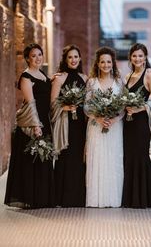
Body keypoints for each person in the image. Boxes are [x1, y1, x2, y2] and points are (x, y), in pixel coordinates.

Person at [4, 43, 54, 209]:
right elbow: (31, 102)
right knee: (31, 161)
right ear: (27, 58)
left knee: (42, 159)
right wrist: (36, 125)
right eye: (33, 56)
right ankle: (31, 198)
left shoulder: (41, 74)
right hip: (32, 124)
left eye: (40, 54)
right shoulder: (26, 77)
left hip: (44, 122)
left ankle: (43, 197)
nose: (38, 58)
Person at [84, 47, 124, 208]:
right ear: (98, 64)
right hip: (95, 126)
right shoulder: (91, 82)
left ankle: (113, 199)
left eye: (108, 61)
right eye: (102, 62)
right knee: (97, 158)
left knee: (113, 158)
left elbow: (123, 106)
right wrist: (98, 118)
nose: (106, 64)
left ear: (113, 63)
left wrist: (115, 119)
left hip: (114, 127)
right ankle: (96, 199)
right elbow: (86, 107)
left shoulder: (119, 82)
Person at [122, 43, 151, 208]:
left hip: (141, 123)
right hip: (127, 124)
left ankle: (144, 198)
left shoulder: (149, 75)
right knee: (129, 158)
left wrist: (139, 108)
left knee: (141, 157)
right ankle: (130, 198)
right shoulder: (127, 76)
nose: (137, 58)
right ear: (130, 57)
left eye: (140, 56)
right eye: (134, 56)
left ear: (145, 57)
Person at [51, 44, 87, 207]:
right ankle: (62, 198)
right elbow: (52, 103)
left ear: (80, 59)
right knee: (65, 157)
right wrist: (64, 107)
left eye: (76, 57)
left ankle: (78, 198)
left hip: (81, 124)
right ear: (65, 60)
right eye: (70, 57)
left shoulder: (85, 78)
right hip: (66, 124)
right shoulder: (59, 78)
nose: (73, 60)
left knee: (79, 159)